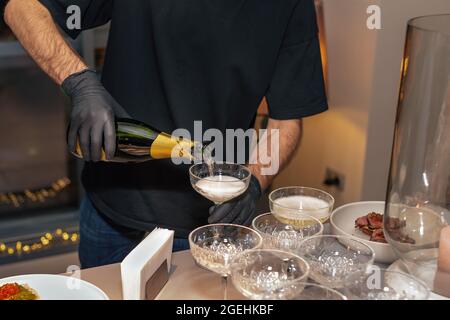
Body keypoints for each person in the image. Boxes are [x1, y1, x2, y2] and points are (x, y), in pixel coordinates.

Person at [3, 0, 328, 268]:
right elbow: (22, 6)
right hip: (111, 214)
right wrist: (79, 82)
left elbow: (286, 121)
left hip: (209, 228)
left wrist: (255, 179)